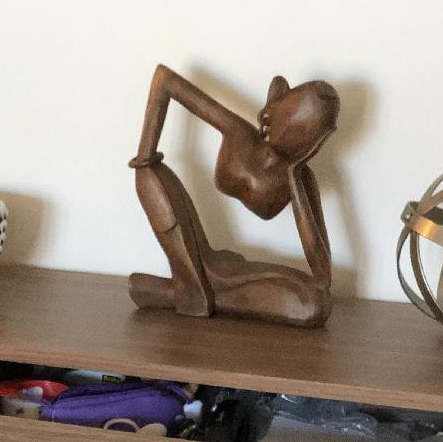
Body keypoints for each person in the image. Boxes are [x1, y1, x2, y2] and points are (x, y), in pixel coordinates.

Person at [128, 64, 340, 326]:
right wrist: (145, 155)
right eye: (288, 121)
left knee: (315, 304)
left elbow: (323, 277)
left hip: (234, 272)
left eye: (304, 134)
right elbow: (164, 80)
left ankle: (188, 293)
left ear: (317, 143)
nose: (289, 135)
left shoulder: (302, 179)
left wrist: (294, 176)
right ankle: (192, 288)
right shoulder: (239, 133)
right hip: (190, 244)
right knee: (148, 174)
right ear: (274, 113)